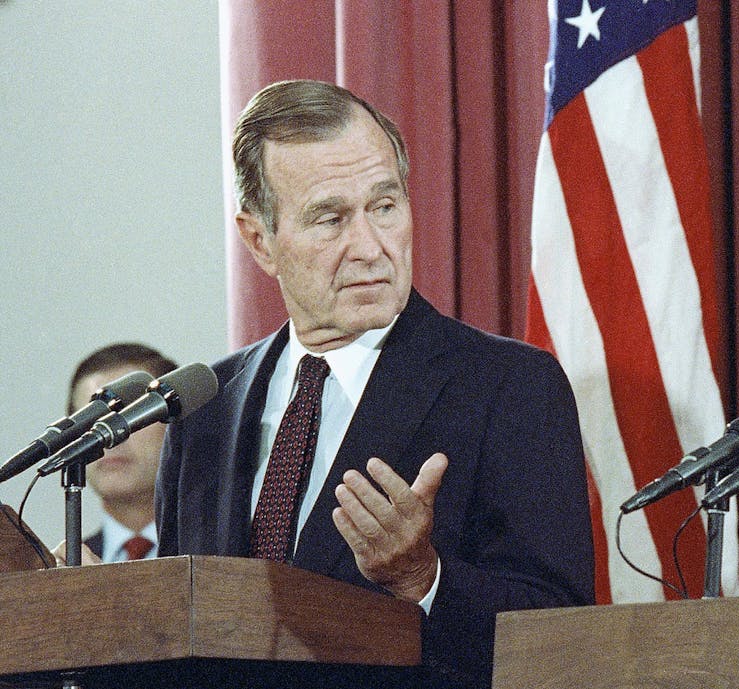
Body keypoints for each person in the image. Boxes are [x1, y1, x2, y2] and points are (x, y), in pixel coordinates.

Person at [155, 80, 594, 688]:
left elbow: (563, 638)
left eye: (384, 207)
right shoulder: (204, 405)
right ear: (260, 240)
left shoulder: (508, 385)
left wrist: (424, 579)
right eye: (330, 218)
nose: (369, 247)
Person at [69, 343, 176, 563]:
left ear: (176, 426)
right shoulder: (66, 567)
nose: (109, 437)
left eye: (129, 416)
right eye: (90, 421)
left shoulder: (221, 556)